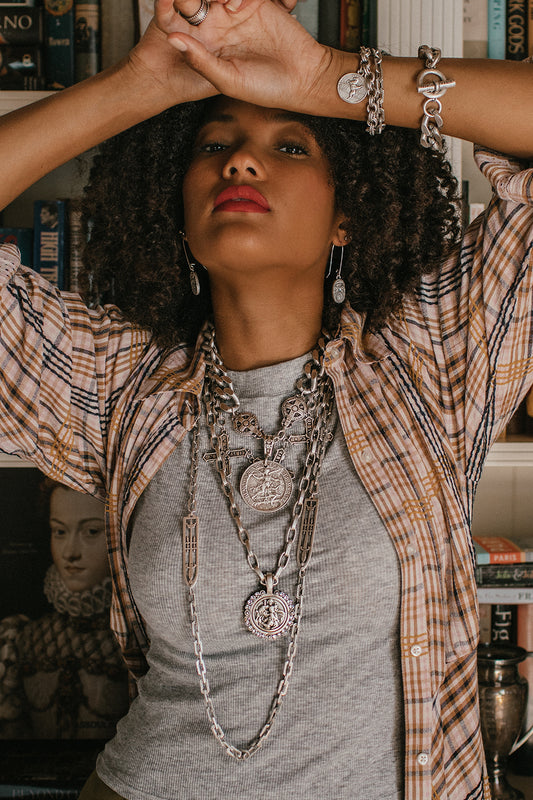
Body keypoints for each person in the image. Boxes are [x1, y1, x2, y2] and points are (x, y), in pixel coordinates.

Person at [0, 0, 532, 797]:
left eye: (289, 146)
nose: (241, 164)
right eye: (214, 145)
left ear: (346, 214)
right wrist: (144, 85)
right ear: (176, 212)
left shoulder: (434, 357)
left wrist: (325, 78)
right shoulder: (116, 386)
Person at [0, 479, 129, 740]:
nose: (70, 552)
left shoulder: (136, 637)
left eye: (92, 532)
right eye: (59, 532)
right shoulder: (20, 638)